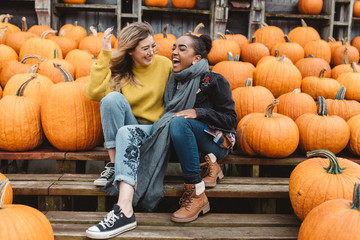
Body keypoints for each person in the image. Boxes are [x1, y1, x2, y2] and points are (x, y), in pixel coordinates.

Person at [84, 22, 172, 239]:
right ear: (130, 50)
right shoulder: (123, 71)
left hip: (154, 129)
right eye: (145, 48)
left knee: (127, 132)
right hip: (131, 124)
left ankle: (124, 210)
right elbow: (94, 92)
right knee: (111, 99)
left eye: (153, 46)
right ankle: (114, 165)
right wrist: (105, 53)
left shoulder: (165, 65)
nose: (151, 52)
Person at [168, 34, 237, 223]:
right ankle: (209, 164)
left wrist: (199, 112)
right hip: (190, 139)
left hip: (218, 140)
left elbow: (230, 119)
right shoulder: (173, 82)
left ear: (196, 58)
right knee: (171, 125)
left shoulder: (214, 80)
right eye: (174, 48)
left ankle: (197, 193)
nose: (174, 51)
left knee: (179, 122)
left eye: (182, 49)